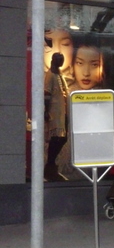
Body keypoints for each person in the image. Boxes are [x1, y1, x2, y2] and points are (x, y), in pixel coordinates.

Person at [43, 52, 69, 181]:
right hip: (55, 111)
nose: (62, 62)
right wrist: (46, 111)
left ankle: (51, 165)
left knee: (63, 138)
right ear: (55, 60)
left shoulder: (60, 74)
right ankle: (50, 165)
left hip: (63, 111)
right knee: (56, 138)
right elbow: (46, 94)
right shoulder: (50, 75)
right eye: (60, 59)